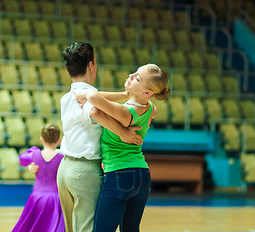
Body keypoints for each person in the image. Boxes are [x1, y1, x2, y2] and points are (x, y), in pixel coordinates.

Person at [57, 42, 143, 232]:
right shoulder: (89, 95)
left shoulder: (67, 96)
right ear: (91, 65)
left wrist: (123, 95)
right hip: (84, 171)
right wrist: (124, 133)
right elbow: (95, 109)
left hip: (64, 170)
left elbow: (96, 98)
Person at [75, 64, 170, 232]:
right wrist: (126, 94)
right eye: (135, 72)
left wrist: (86, 93)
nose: (131, 75)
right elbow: (99, 99)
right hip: (142, 175)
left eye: (137, 78)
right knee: (130, 229)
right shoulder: (150, 109)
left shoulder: (126, 113)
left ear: (148, 93)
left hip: (119, 173)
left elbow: (96, 106)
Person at [12, 124, 64, 232]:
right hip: (55, 199)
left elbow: (22, 158)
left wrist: (32, 158)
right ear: (59, 140)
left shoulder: (34, 155)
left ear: (41, 139)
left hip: (36, 198)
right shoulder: (62, 158)